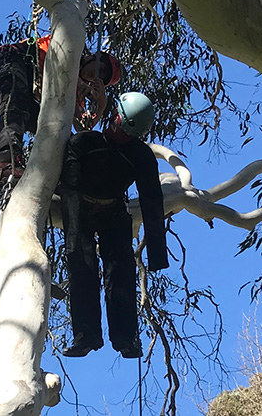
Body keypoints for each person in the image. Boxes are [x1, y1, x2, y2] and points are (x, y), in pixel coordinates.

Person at [59, 92, 168, 358]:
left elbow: (152, 202)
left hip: (114, 214)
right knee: (82, 269)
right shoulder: (84, 142)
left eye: (121, 123)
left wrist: (156, 254)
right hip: (81, 211)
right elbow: (70, 189)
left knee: (121, 272)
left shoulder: (141, 156)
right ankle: (85, 336)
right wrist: (72, 234)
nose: (117, 126)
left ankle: (126, 338)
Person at [0, 36, 121, 186]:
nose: (97, 75)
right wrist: (80, 84)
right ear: (94, 57)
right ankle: (4, 164)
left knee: (60, 133)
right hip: (6, 65)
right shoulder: (71, 43)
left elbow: (82, 127)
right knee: (16, 108)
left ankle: (59, 182)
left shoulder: (76, 95)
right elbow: (59, 63)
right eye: (100, 69)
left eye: (102, 78)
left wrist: (101, 105)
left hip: (12, 87)